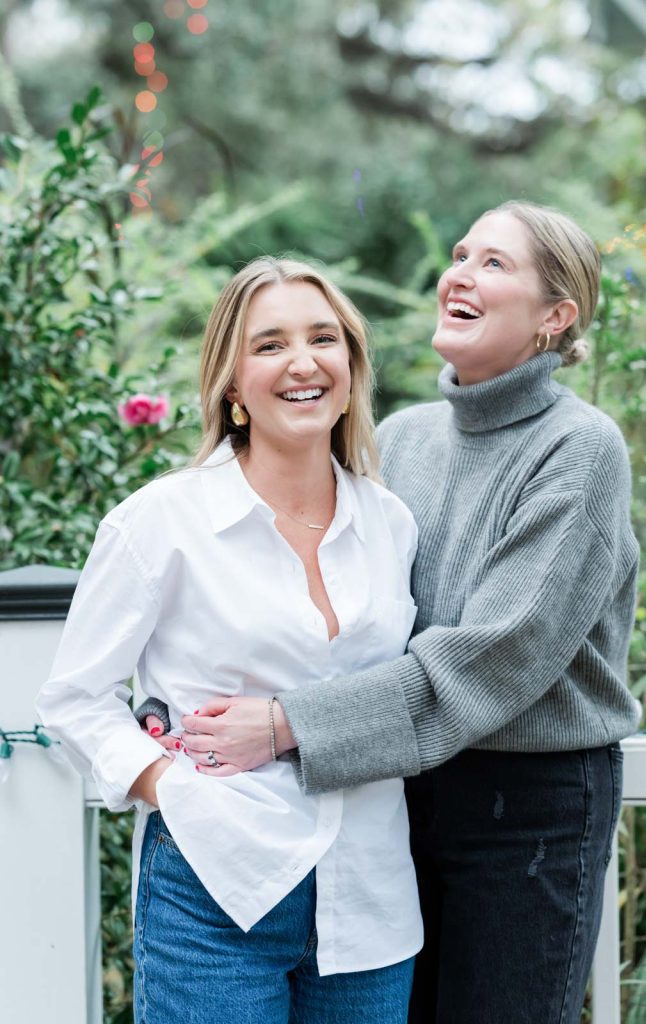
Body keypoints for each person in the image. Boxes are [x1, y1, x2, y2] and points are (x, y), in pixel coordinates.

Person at [139, 202, 641, 1024]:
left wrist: (286, 723)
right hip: (397, 789)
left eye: (493, 264)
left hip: (524, 812)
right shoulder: (404, 439)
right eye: (459, 253)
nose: (459, 275)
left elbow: (498, 656)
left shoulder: (579, 448)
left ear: (556, 317)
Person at [36, 257, 424, 1024]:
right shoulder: (161, 522)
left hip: (370, 899)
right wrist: (169, 790)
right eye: (270, 345)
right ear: (232, 383)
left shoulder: (391, 524)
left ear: (350, 362)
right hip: (216, 885)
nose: (303, 363)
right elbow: (74, 698)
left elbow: (406, 692)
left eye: (324, 338)